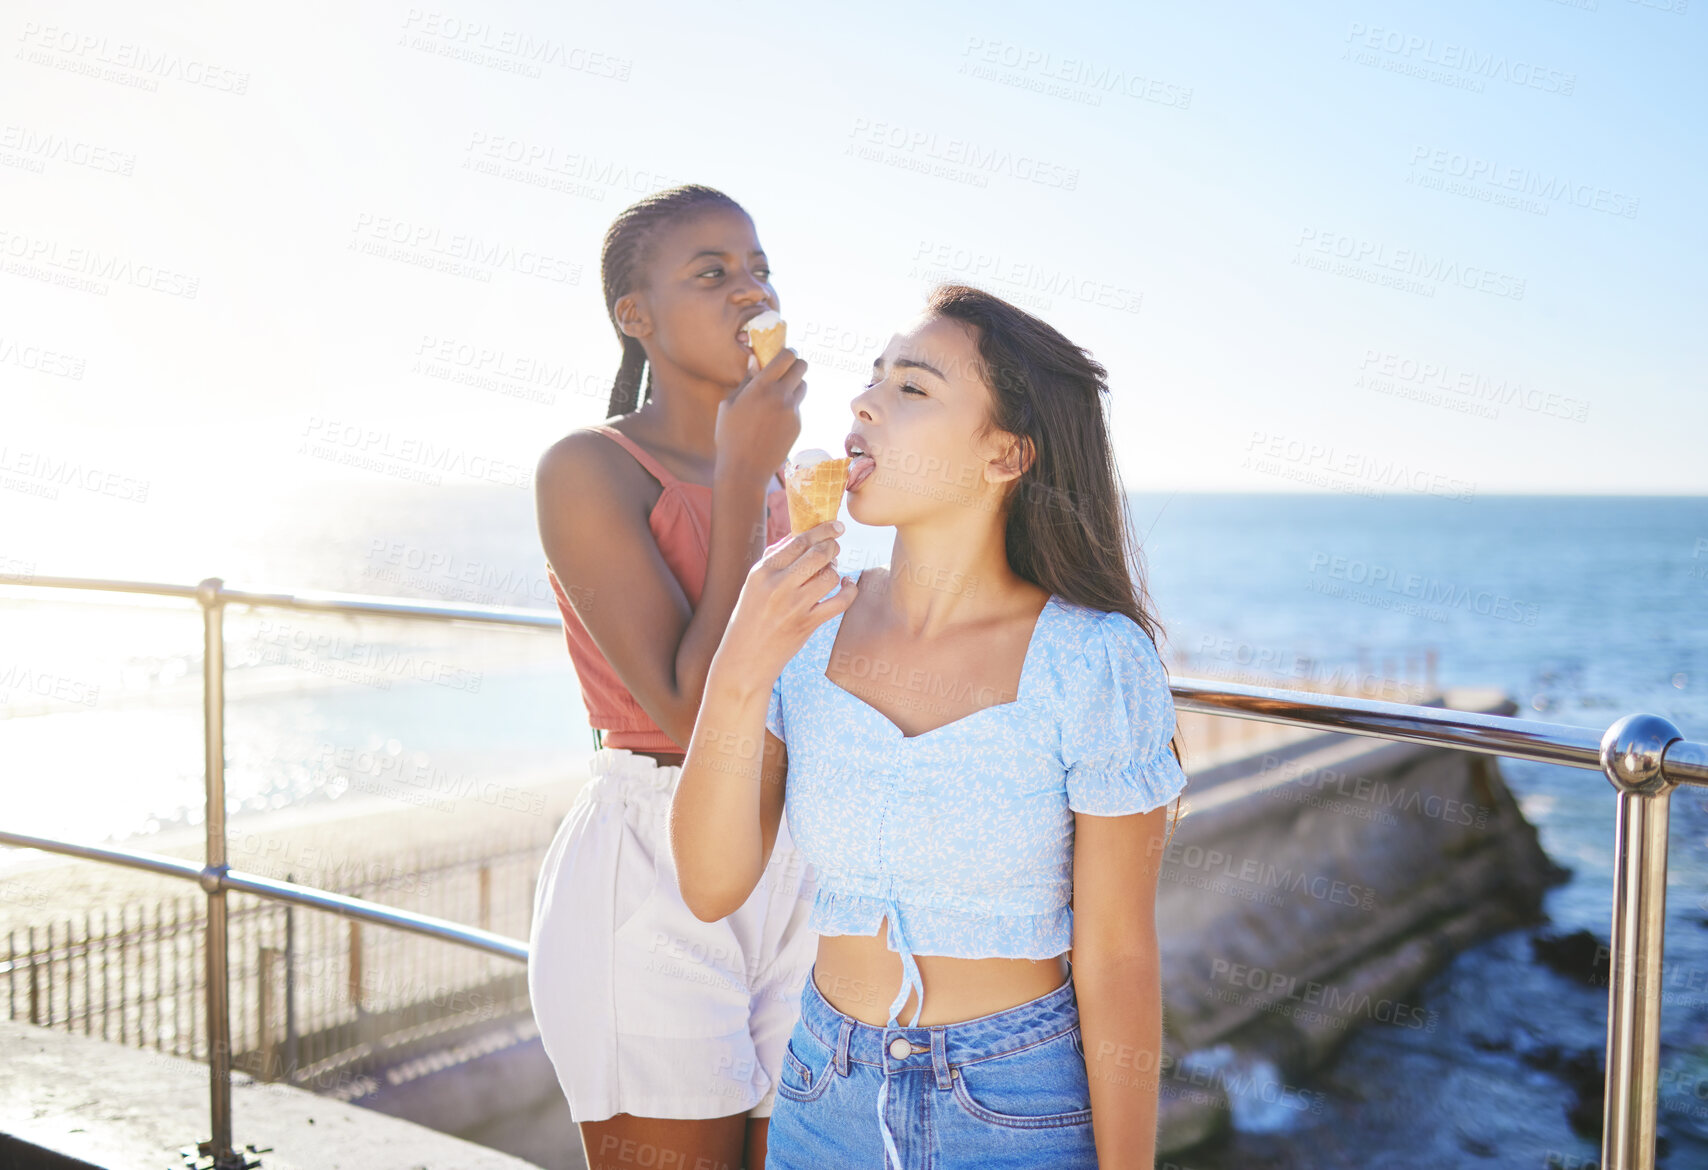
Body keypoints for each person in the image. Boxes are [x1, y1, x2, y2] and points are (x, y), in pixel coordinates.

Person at [670, 282, 1187, 1168]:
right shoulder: (807, 630)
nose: (863, 403)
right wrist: (738, 670)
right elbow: (710, 885)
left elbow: (1117, 955)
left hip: (1015, 1106)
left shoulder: (1094, 662)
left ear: (1004, 457)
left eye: (912, 388)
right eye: (872, 380)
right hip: (821, 1092)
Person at [527, 183, 818, 1170]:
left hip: (799, 853)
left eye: (758, 269)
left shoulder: (795, 482)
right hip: (652, 864)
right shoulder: (587, 468)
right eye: (711, 272)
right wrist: (741, 479)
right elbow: (696, 712)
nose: (749, 291)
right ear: (635, 315)